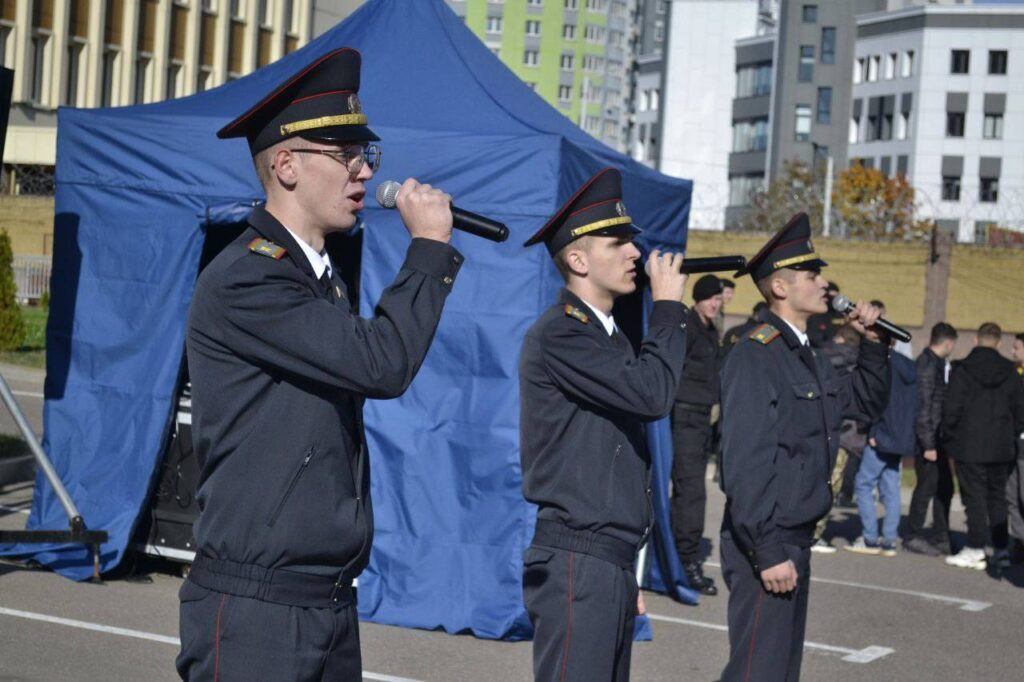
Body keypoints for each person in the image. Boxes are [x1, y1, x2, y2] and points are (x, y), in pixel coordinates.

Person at [176, 48, 464, 680]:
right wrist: (427, 249)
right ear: (285, 164)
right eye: (345, 155)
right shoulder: (249, 279)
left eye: (368, 155)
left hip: (325, 602)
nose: (364, 172)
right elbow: (383, 362)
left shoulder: (319, 280)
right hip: (258, 611)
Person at [519, 167, 688, 681]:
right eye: (617, 242)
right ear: (577, 259)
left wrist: (625, 569)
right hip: (578, 558)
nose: (635, 253)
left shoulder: (607, 338)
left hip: (607, 560)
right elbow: (653, 394)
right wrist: (667, 310)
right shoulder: (563, 335)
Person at [718, 212, 889, 682]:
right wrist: (767, 549)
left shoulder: (807, 353)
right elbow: (746, 461)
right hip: (768, 540)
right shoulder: (756, 353)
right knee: (758, 671)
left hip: (795, 536)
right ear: (780, 287)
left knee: (779, 673)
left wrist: (872, 345)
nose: (824, 284)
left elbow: (864, 404)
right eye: (812, 275)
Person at [942, 322, 1024, 570]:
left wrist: (949, 435)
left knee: (974, 496)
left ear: (976, 340)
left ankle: (976, 546)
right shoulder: (1010, 372)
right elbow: (1020, 410)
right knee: (997, 497)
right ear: (999, 342)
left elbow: (951, 407)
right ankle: (1000, 549)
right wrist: (1012, 433)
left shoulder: (963, 370)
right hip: (1001, 445)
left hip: (970, 444)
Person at [671, 274, 724, 596]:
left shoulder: (709, 330)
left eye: (718, 299)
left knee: (690, 490)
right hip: (684, 415)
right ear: (698, 299)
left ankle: (681, 555)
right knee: (691, 491)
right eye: (710, 299)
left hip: (702, 417)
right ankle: (686, 560)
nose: (715, 304)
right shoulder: (688, 327)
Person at [846, 335, 918, 557]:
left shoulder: (884, 365)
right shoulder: (909, 366)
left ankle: (869, 538)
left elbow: (879, 399)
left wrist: (874, 431)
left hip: (882, 435)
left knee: (864, 485)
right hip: (899, 436)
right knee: (890, 487)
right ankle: (889, 539)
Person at [811, 324, 867, 554]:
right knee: (831, 485)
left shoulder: (818, 358)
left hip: (815, 428)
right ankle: (814, 533)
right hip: (843, 434)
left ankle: (807, 528)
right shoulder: (859, 366)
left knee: (812, 481)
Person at [905, 322, 958, 556]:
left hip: (939, 437)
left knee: (944, 487)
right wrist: (928, 444)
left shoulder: (936, 364)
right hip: (929, 440)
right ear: (948, 343)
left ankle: (941, 534)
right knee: (926, 488)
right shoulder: (927, 366)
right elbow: (923, 407)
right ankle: (913, 535)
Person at [1008, 333, 1024, 563]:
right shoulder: (1013, 374)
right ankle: (1020, 540)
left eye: (1017, 347)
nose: (1013, 351)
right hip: (1011, 445)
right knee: (1011, 495)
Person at [806, 280, 844, 348]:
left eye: (836, 297)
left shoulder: (841, 315)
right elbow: (813, 337)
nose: (832, 300)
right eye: (830, 297)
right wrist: (832, 343)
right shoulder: (814, 315)